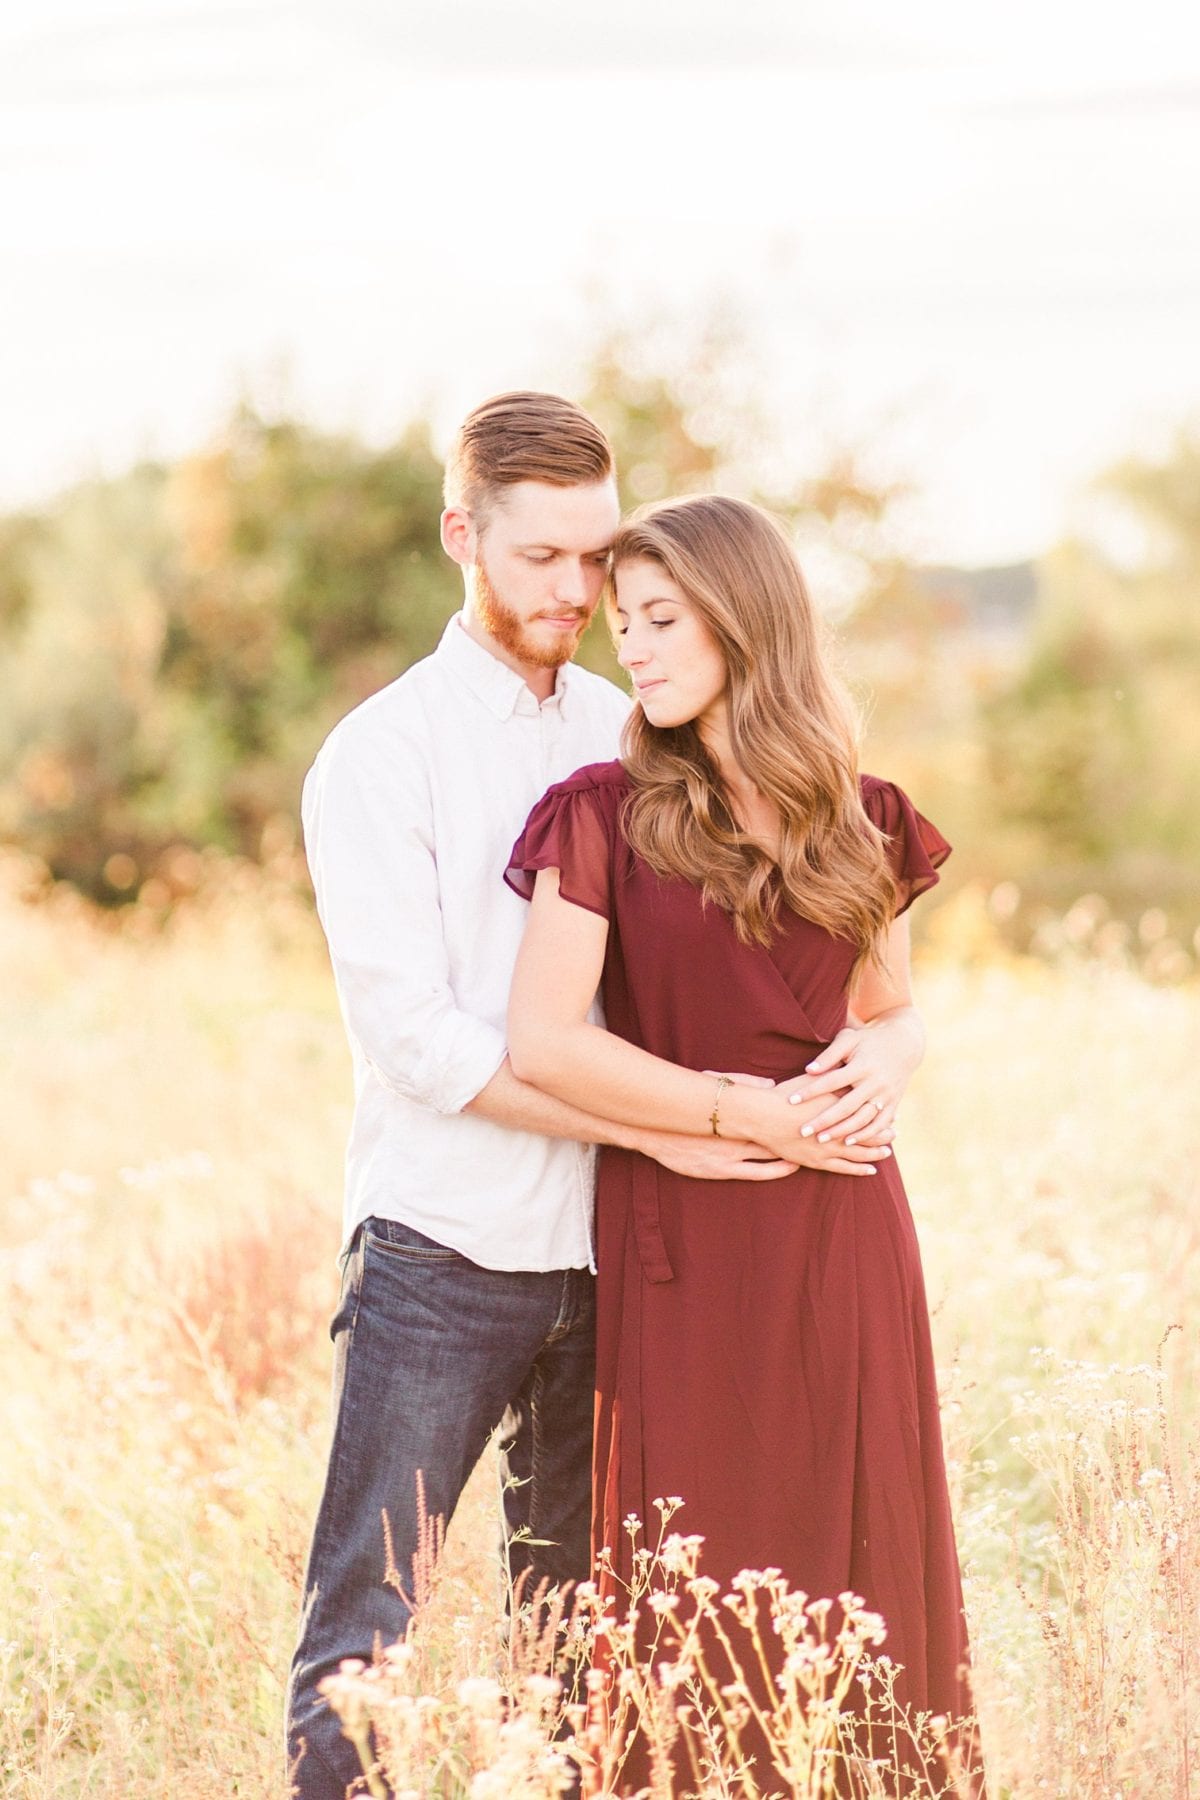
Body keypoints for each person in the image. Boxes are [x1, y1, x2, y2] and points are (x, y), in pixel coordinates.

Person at [285, 397, 850, 1799]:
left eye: (597, 558)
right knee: (373, 1629)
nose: (577, 593)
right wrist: (682, 1121)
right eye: (540, 558)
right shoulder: (380, 756)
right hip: (441, 1253)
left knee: (582, 1641)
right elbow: (422, 1042)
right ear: (460, 536)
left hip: (623, 1261)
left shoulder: (632, 728)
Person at [505, 493, 981, 1793]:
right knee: (693, 1592)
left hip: (845, 1240)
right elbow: (542, 1041)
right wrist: (731, 1108)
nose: (636, 650)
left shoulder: (860, 813)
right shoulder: (599, 814)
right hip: (688, 1236)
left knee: (863, 1567)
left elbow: (893, 1011)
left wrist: (889, 1053)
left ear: (744, 619)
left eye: (661, 620)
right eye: (625, 623)